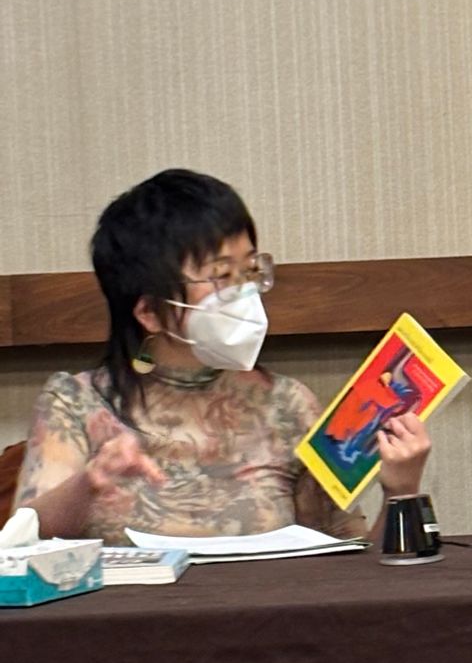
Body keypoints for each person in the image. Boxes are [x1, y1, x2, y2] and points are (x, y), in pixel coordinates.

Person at [14, 169, 431, 544]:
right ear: (149, 312)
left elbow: (352, 567)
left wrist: (400, 490)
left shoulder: (287, 404)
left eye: (249, 270)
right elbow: (24, 544)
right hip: (127, 626)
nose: (244, 293)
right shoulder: (76, 402)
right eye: (220, 276)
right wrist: (89, 483)